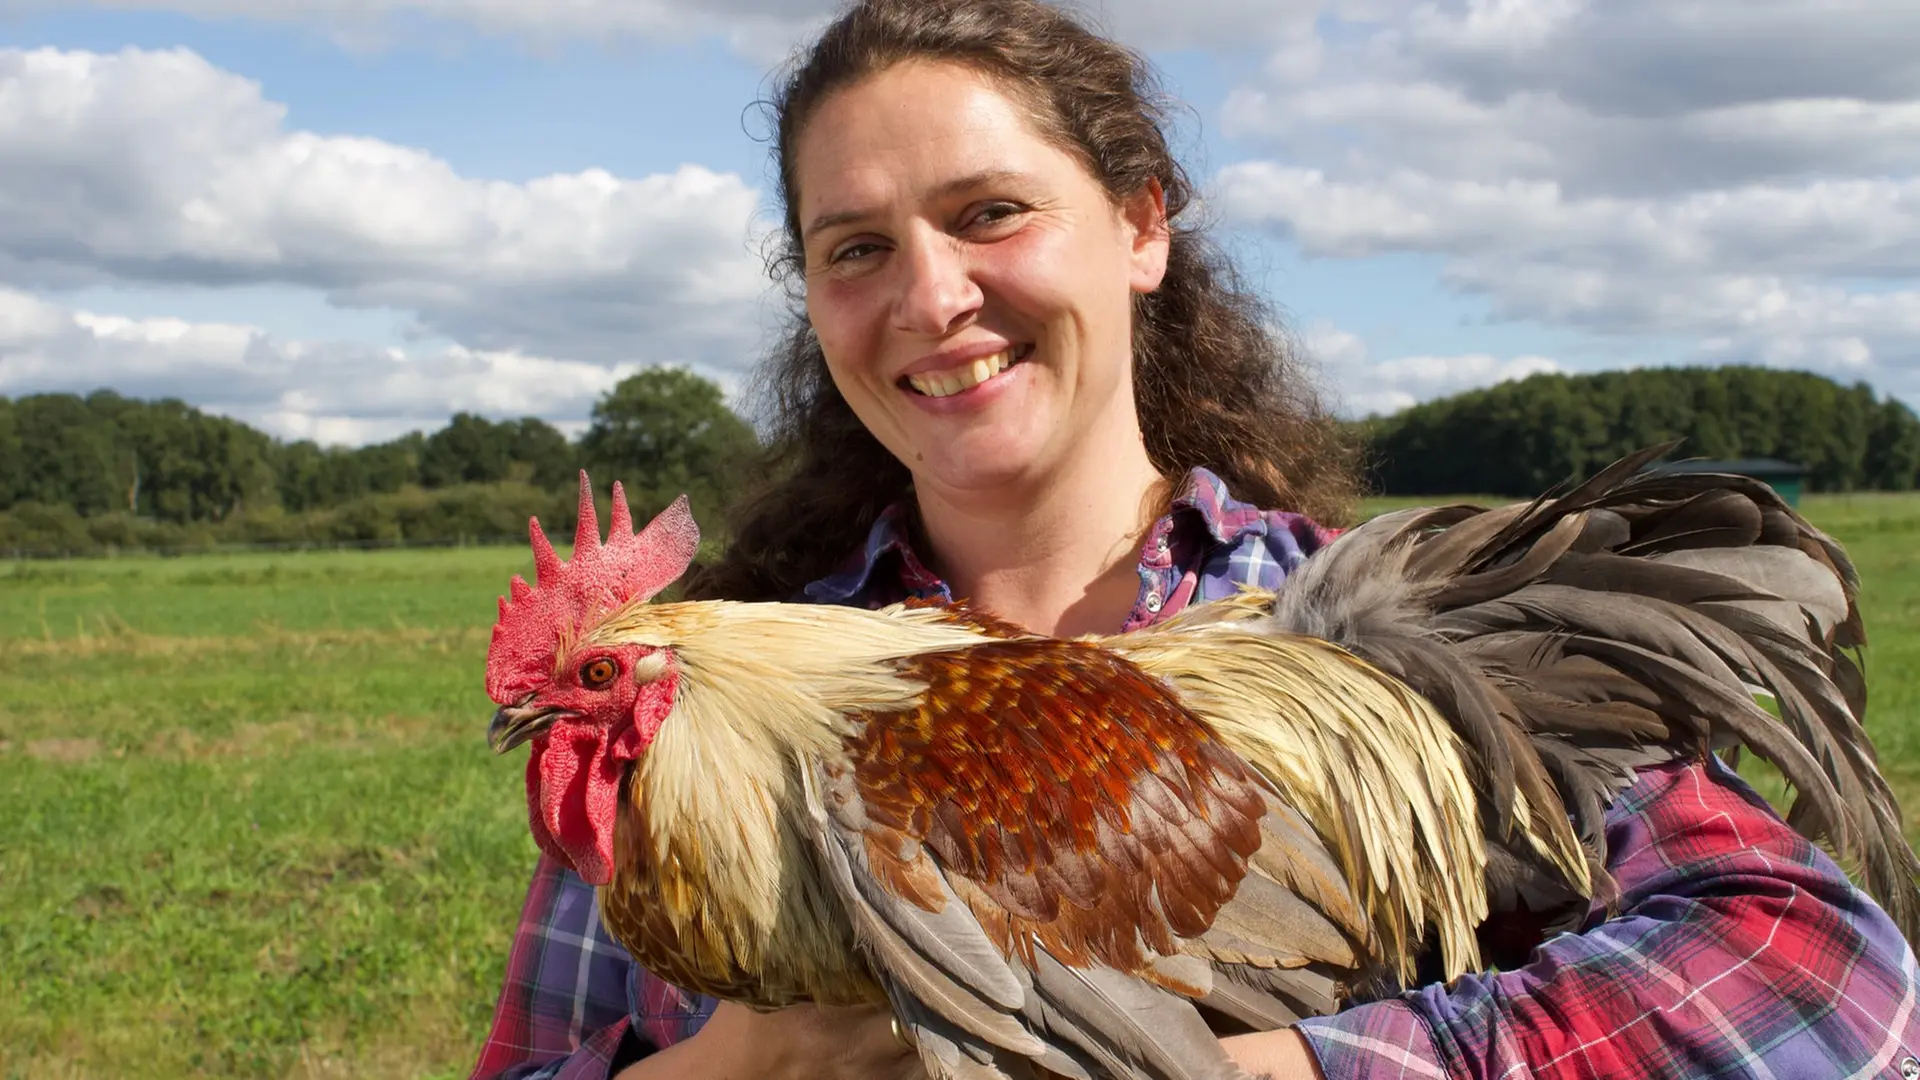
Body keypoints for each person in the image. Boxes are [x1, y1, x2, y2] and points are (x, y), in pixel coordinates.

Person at [469, 1, 1920, 1077]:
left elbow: (1834, 982)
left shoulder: (1354, 636)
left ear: (1141, 227)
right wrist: (744, 1062)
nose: (928, 297)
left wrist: (1282, 1068)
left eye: (990, 213)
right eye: (855, 247)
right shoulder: (693, 721)